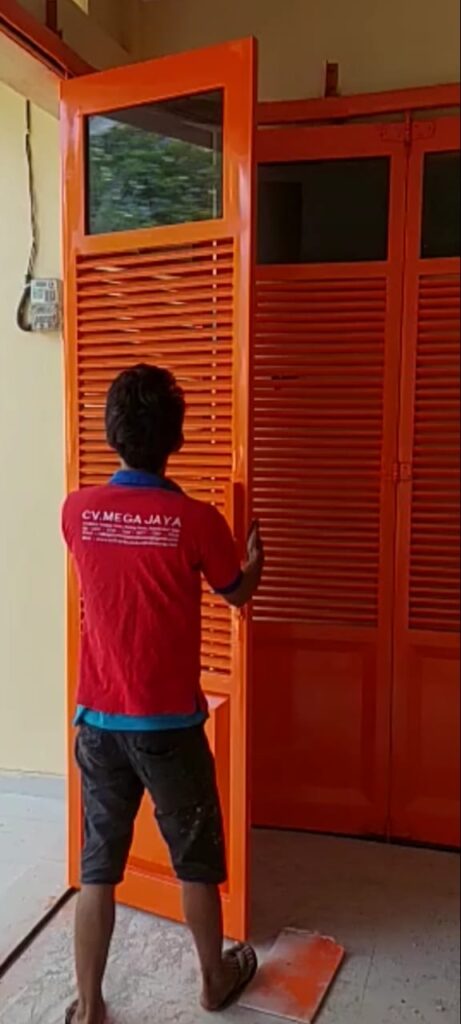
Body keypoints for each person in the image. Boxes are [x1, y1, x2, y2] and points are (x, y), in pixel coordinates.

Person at [62, 364, 264, 1024]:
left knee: (97, 869)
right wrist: (255, 562)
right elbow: (235, 591)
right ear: (176, 438)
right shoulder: (196, 520)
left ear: (111, 434)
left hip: (98, 722)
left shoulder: (77, 511)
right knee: (195, 861)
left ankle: (89, 1007)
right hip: (170, 728)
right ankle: (213, 980)